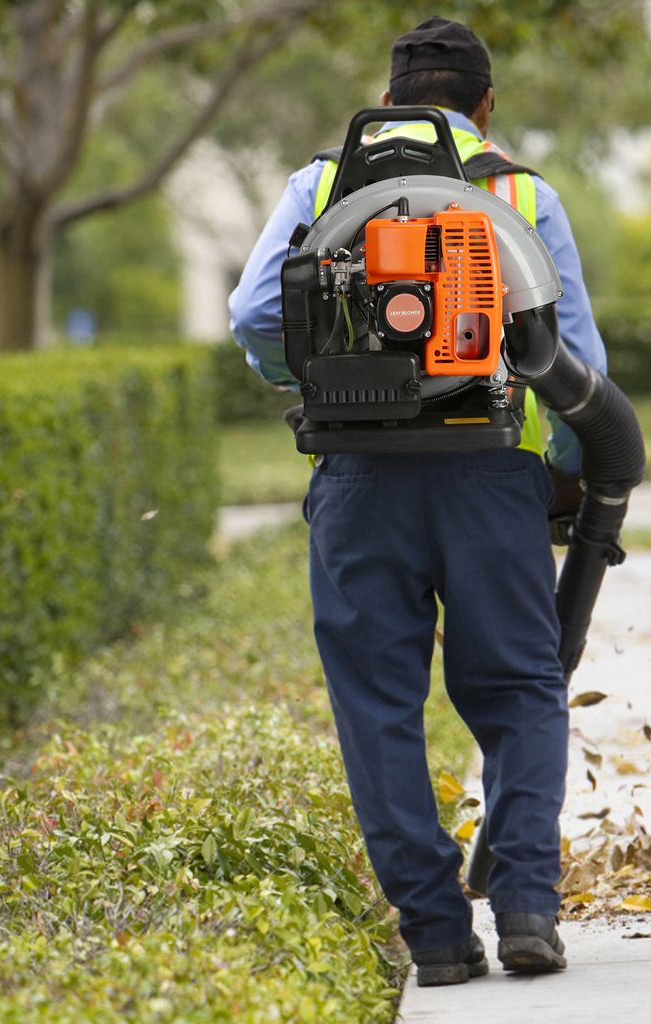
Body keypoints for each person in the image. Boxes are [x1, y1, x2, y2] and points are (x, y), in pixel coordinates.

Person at [229, 16, 606, 986]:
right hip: (490, 470)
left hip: (356, 475)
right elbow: (578, 367)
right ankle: (525, 904)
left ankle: (437, 937)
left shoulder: (320, 186)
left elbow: (253, 314)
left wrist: (317, 373)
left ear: (388, 102)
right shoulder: (521, 192)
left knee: (378, 705)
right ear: (485, 106)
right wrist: (563, 467)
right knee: (521, 688)